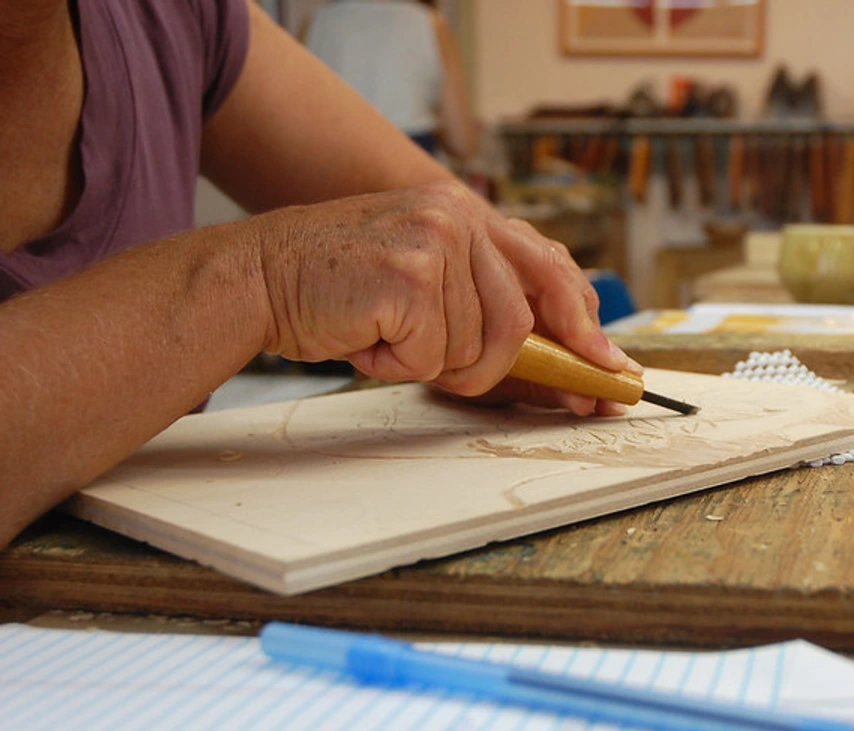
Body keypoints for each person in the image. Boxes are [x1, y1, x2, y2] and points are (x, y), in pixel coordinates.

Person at [0, 0, 636, 550]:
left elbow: (478, 262)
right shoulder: (423, 24)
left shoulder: (168, 16)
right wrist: (261, 282)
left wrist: (489, 314)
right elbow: (458, 140)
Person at [304, 0, 478, 160]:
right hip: (410, 166)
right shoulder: (431, 25)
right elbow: (461, 143)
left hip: (337, 167)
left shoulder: (318, 22)